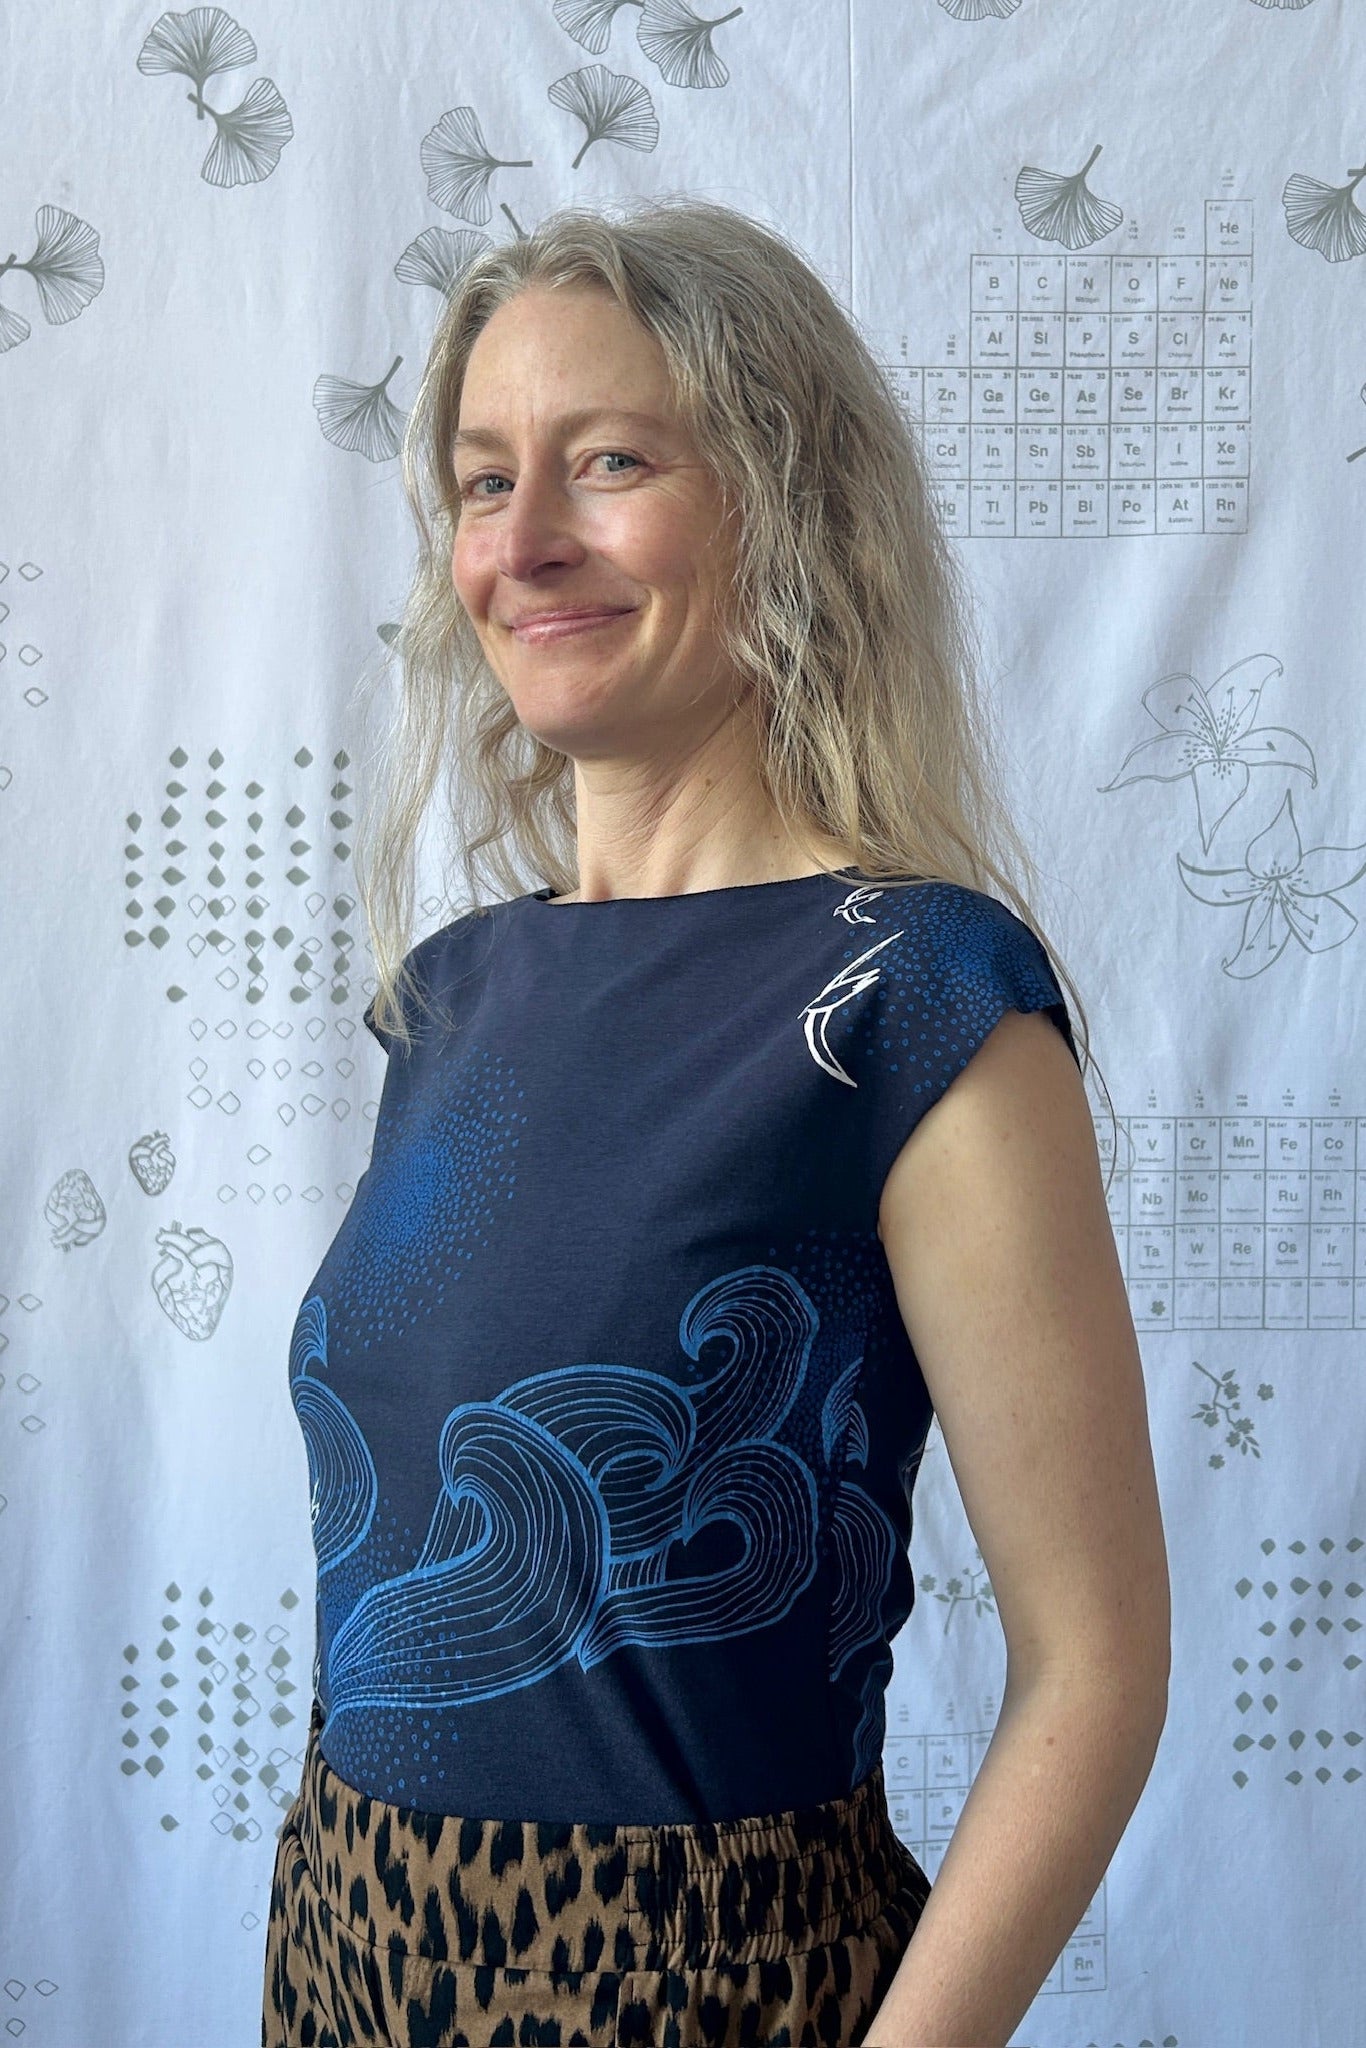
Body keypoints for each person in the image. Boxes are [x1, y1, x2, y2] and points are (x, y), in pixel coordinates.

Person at [261, 195, 1170, 2048]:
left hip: (702, 1989)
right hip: (344, 1950)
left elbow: (1094, 1667)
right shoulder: (453, 992)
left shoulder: (914, 996)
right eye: (484, 480)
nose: (526, 540)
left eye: (609, 462)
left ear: (785, 506)